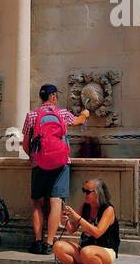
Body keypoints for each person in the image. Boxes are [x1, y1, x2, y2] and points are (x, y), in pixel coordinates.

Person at [21, 85, 89, 255]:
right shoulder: (62, 114)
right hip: (61, 162)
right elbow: (78, 121)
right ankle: (49, 243)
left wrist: (34, 157)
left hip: (39, 163)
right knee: (56, 201)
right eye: (55, 96)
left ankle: (37, 242)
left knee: (37, 202)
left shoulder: (32, 115)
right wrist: (85, 114)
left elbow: (25, 144)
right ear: (52, 97)